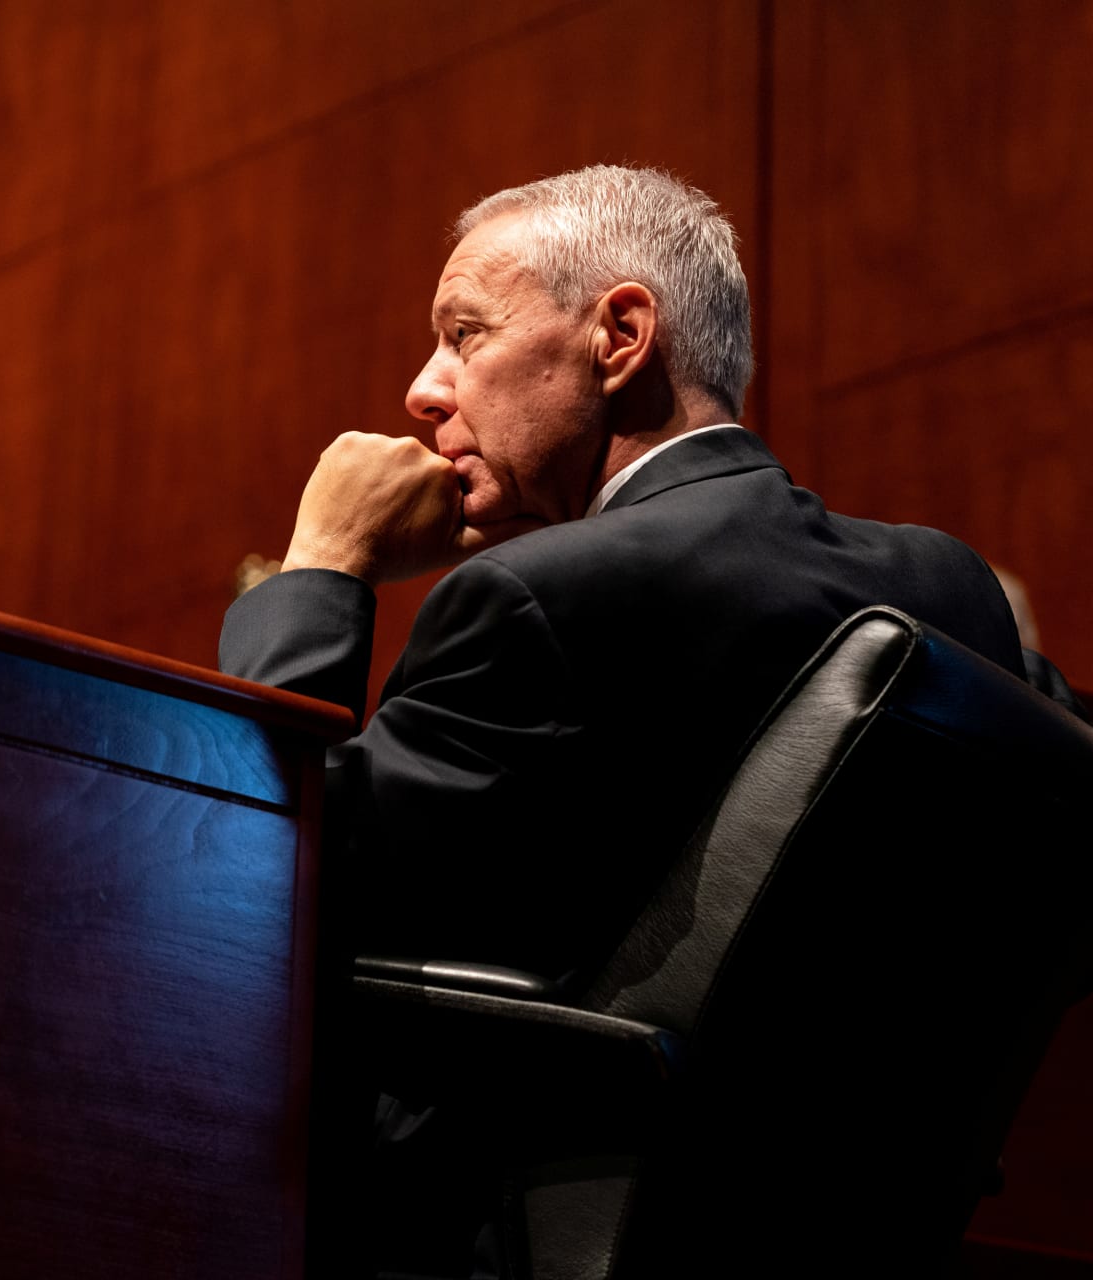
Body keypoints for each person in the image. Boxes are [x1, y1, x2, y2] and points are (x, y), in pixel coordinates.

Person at [220, 165, 1035, 1275]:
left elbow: (262, 873)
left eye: (465, 333)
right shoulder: (951, 589)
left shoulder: (540, 601)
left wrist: (323, 563)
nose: (423, 387)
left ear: (619, 334)